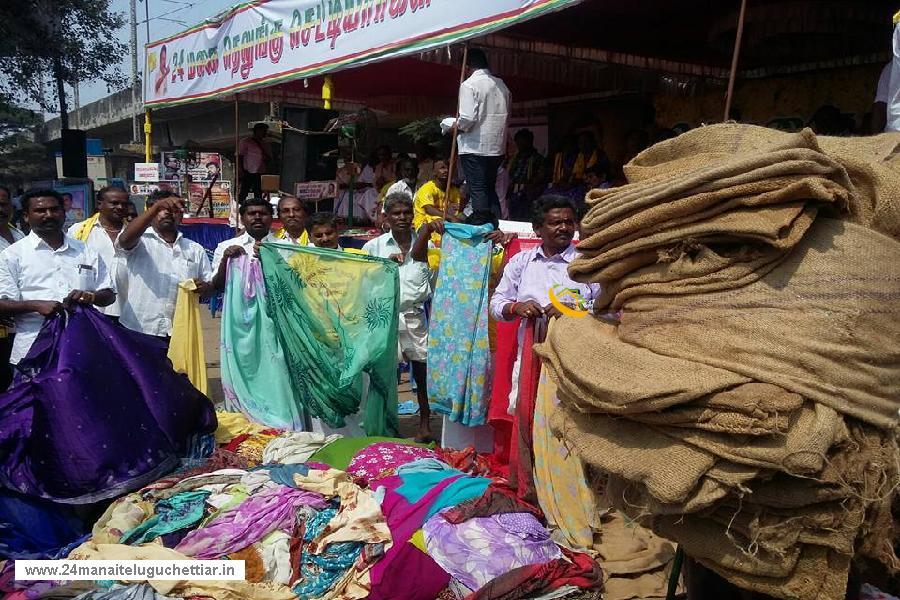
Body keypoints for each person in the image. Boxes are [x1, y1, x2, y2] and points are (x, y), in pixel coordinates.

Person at [489, 195, 600, 410]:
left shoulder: (586, 264)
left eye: (569, 222)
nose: (564, 228)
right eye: (555, 223)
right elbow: (496, 304)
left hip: (575, 358)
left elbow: (608, 308)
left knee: (568, 416)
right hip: (530, 356)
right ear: (538, 229)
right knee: (526, 414)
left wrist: (575, 309)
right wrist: (515, 307)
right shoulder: (522, 262)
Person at [0, 189, 115, 372]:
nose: (49, 215)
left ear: (64, 212)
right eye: (40, 211)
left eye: (54, 209)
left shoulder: (85, 251)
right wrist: (37, 305)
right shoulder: (12, 256)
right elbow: (3, 303)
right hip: (32, 352)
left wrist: (91, 297)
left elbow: (109, 294)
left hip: (81, 348)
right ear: (26, 216)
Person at [363, 193, 434, 442]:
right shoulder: (375, 246)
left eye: (406, 212)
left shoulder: (426, 244)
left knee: (422, 371)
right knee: (386, 374)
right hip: (385, 317)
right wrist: (384, 267)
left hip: (415, 316)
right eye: (396, 213)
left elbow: (435, 283)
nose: (402, 217)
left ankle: (425, 424)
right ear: (386, 217)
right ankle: (385, 424)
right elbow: (362, 280)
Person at [116, 190, 212, 340]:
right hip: (140, 327)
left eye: (173, 210)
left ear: (180, 215)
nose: (167, 214)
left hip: (180, 331)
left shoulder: (194, 249)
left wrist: (204, 287)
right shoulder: (141, 241)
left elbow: (209, 287)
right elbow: (124, 240)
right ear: (151, 212)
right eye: (161, 210)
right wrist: (157, 206)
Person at [444, 48, 510, 218]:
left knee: (478, 189)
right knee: (489, 188)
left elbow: (467, 120)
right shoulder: (502, 85)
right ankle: (495, 226)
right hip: (496, 147)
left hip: (475, 147)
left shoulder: (469, 85)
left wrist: (450, 124)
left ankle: (483, 227)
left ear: (467, 67)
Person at [68, 186, 129, 318]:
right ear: (99, 204)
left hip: (129, 311)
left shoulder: (135, 234)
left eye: (124, 204)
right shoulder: (79, 231)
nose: (120, 207)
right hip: (93, 310)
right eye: (114, 203)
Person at [211, 198, 276, 292]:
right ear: (242, 219)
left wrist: (273, 260)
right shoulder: (225, 247)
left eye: (263, 214)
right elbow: (218, 286)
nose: (257, 217)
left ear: (271, 218)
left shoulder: (284, 246)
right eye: (251, 214)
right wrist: (225, 261)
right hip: (241, 306)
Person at [505, 129, 546, 221]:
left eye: (522, 142)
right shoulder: (514, 159)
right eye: (518, 142)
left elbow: (541, 177)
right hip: (513, 191)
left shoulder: (538, 158)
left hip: (530, 191)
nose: (519, 145)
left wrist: (527, 187)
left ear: (529, 141)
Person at [413, 157, 463, 231]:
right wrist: (450, 217)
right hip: (425, 225)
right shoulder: (427, 188)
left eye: (448, 167)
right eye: (442, 168)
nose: (446, 170)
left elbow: (457, 209)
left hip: (446, 223)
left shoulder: (454, 190)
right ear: (434, 172)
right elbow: (429, 209)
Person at [238, 123, 273, 203]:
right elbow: (239, 155)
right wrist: (240, 169)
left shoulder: (266, 143)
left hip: (261, 172)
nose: (264, 133)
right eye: (262, 131)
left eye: (265, 131)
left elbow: (269, 158)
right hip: (248, 171)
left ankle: (259, 206)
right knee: (244, 191)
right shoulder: (245, 142)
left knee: (258, 192)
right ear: (256, 131)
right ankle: (240, 207)